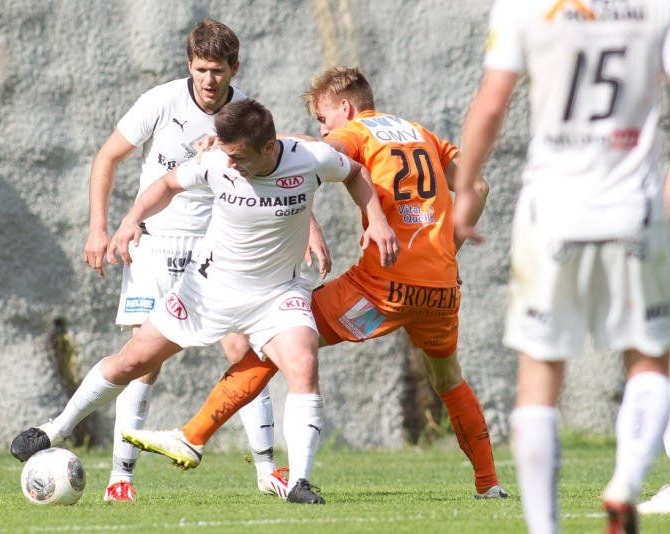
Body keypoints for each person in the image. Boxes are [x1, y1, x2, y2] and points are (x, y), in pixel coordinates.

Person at [124, 66, 508, 499]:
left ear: (346, 107)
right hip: (440, 288)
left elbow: (308, 150)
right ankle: (489, 485)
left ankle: (192, 436)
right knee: (449, 379)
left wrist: (237, 142)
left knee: (281, 340)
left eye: (324, 119)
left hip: (381, 289)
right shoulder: (422, 133)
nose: (324, 129)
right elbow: (478, 186)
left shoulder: (359, 132)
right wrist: (446, 251)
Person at [11, 98, 400, 505]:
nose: (230, 164)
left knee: (303, 364)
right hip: (207, 291)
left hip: (277, 294)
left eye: (239, 157)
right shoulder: (217, 161)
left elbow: (356, 173)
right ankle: (57, 429)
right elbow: (166, 185)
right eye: (227, 154)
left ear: (269, 147)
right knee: (132, 361)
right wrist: (130, 220)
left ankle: (299, 481)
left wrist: (377, 220)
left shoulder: (311, 159)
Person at [76, 19, 328, 501]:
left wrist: (309, 229)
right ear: (189, 64)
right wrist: (99, 228)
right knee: (144, 360)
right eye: (201, 69)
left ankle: (267, 469)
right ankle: (121, 478)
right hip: (158, 243)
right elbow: (107, 157)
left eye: (218, 70)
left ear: (235, 68)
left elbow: (281, 173)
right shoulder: (160, 102)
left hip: (218, 249)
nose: (209, 80)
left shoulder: (245, 115)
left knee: (243, 352)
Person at [452, 1, 670, 532]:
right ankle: (625, 481)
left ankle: (544, 528)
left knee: (540, 373)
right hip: (636, 209)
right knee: (650, 360)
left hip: (550, 215)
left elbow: (491, 105)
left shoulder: (523, 6)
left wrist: (465, 187)